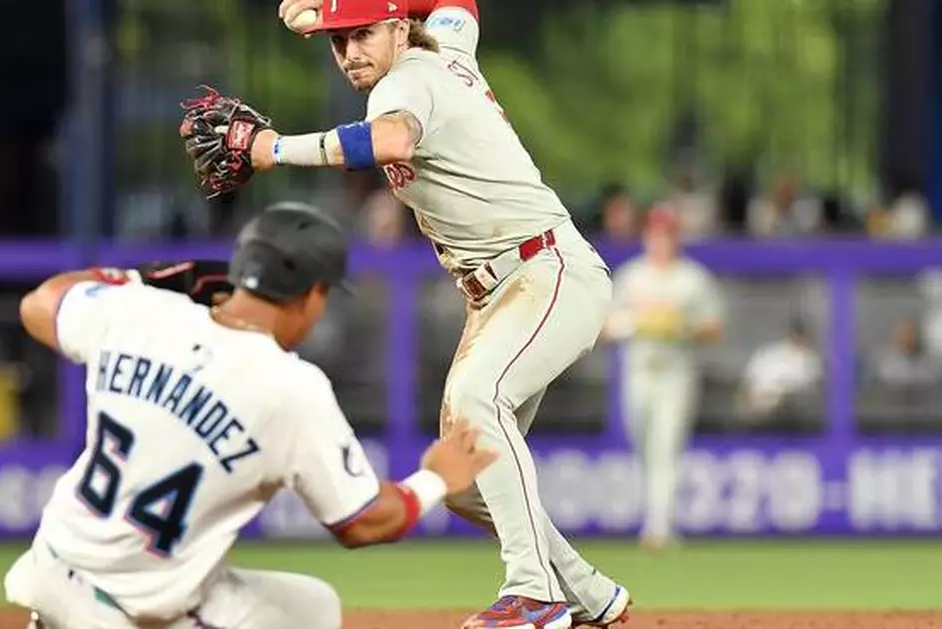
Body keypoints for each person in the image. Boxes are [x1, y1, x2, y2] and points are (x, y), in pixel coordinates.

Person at [185, 1, 634, 626]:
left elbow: (390, 139)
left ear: (399, 26)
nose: (348, 54)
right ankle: (589, 594)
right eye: (336, 42)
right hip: (503, 290)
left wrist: (273, 148)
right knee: (466, 479)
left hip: (545, 271)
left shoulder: (407, 80)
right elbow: (460, 6)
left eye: (361, 34)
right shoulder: (447, 46)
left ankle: (534, 593)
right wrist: (332, 8)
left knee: (480, 399)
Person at [4, 202, 498, 629]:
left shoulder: (139, 312)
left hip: (49, 563)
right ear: (312, 295)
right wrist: (435, 479)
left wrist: (141, 279)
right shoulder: (288, 386)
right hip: (126, 612)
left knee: (302, 606)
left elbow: (39, 305)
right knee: (312, 612)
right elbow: (363, 522)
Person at [602, 205, 725, 551]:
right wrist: (637, 323)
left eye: (667, 234)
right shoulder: (631, 276)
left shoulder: (692, 278)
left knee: (666, 449)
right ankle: (655, 519)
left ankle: (659, 528)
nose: (661, 240)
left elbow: (714, 327)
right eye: (656, 234)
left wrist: (681, 326)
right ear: (647, 236)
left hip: (676, 373)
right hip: (638, 371)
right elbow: (604, 328)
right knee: (643, 448)